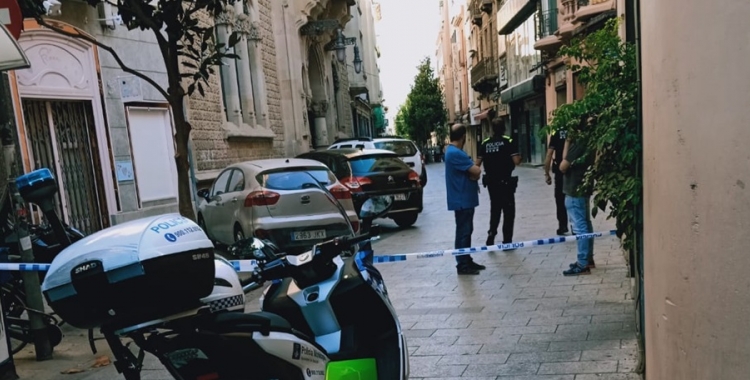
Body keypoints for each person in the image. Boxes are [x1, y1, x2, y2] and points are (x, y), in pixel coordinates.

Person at [444, 124, 485, 275]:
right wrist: (474, 174)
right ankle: (462, 264)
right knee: (464, 231)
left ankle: (466, 259)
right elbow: (476, 170)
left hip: (463, 198)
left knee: (466, 230)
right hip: (462, 199)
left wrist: (472, 174)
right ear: (463, 137)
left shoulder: (452, 151)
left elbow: (473, 172)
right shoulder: (456, 153)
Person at [476, 119, 521, 246]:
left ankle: (491, 233)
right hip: (505, 181)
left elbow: (477, 164)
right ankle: (507, 240)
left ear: (492, 129)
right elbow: (516, 160)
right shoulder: (508, 141)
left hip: (491, 182)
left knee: (495, 208)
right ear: (504, 128)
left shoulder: (485, 143)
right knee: (508, 210)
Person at [559, 137, 595, 276]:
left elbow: (562, 166)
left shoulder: (578, 144)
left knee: (580, 226)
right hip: (583, 187)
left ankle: (582, 263)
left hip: (574, 188)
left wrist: (568, 142)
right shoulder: (589, 142)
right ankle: (588, 258)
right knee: (586, 223)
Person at [544, 129, 569, 235]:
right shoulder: (574, 129)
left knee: (560, 198)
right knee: (573, 197)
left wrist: (546, 172)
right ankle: (575, 225)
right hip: (572, 167)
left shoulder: (556, 133)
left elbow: (549, 154)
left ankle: (562, 225)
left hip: (559, 169)